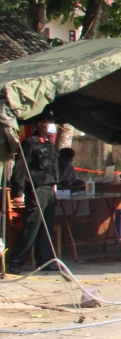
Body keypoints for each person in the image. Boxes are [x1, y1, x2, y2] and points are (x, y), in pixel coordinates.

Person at [8, 113, 60, 274]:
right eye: (48, 122)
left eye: (52, 122)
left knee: (46, 228)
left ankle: (44, 260)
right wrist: (18, 192)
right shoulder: (30, 143)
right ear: (40, 125)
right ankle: (16, 262)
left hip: (49, 189)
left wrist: (55, 184)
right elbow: (21, 169)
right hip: (36, 190)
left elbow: (53, 167)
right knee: (32, 226)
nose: (51, 125)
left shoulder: (50, 143)